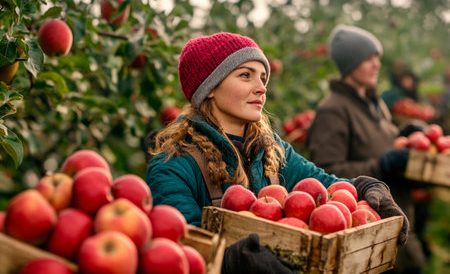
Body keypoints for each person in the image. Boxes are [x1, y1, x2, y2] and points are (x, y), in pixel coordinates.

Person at [145, 31, 409, 274]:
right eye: (246, 75)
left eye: (263, 78)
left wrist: (365, 188)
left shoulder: (272, 149)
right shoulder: (174, 165)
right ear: (210, 87)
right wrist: (232, 260)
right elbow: (180, 249)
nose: (262, 87)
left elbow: (324, 186)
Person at [306, 25, 426, 274]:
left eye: (377, 58)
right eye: (368, 58)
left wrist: (402, 135)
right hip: (370, 238)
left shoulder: (375, 103)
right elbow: (327, 174)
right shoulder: (333, 110)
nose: (376, 65)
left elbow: (380, 142)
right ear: (351, 64)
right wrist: (381, 166)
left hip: (400, 220)